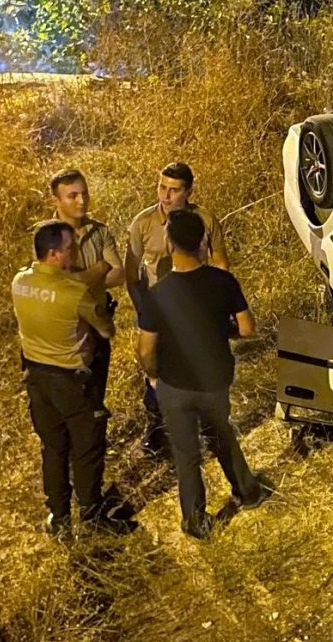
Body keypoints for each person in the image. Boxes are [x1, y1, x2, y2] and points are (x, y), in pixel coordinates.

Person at [135, 210, 263, 539]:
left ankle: (195, 520)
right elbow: (247, 328)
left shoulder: (158, 294)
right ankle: (247, 491)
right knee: (222, 434)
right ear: (202, 243)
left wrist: (154, 377)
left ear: (169, 242)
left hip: (175, 386)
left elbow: (146, 349)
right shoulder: (223, 281)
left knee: (187, 454)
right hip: (214, 379)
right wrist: (220, 332)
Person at [12, 220, 134, 537]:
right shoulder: (74, 294)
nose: (73, 252)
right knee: (87, 449)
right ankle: (92, 516)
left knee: (53, 449)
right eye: (69, 248)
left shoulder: (19, 281)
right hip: (72, 383)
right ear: (55, 254)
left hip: (37, 380)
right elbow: (106, 329)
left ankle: (59, 516)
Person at [126, 162, 229, 456]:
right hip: (160, 311)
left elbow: (221, 262)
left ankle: (210, 431)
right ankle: (156, 432)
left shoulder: (205, 220)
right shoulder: (143, 223)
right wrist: (143, 310)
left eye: (173, 190)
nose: (165, 196)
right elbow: (131, 273)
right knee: (155, 375)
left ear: (189, 191)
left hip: (196, 311)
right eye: (162, 187)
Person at [48, 168, 124, 427]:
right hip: (61, 336)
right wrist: (99, 268)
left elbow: (119, 274)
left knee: (94, 403)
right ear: (56, 201)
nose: (82, 201)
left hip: (96, 328)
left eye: (84, 194)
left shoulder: (99, 231)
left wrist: (78, 281)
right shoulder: (43, 236)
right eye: (72, 196)